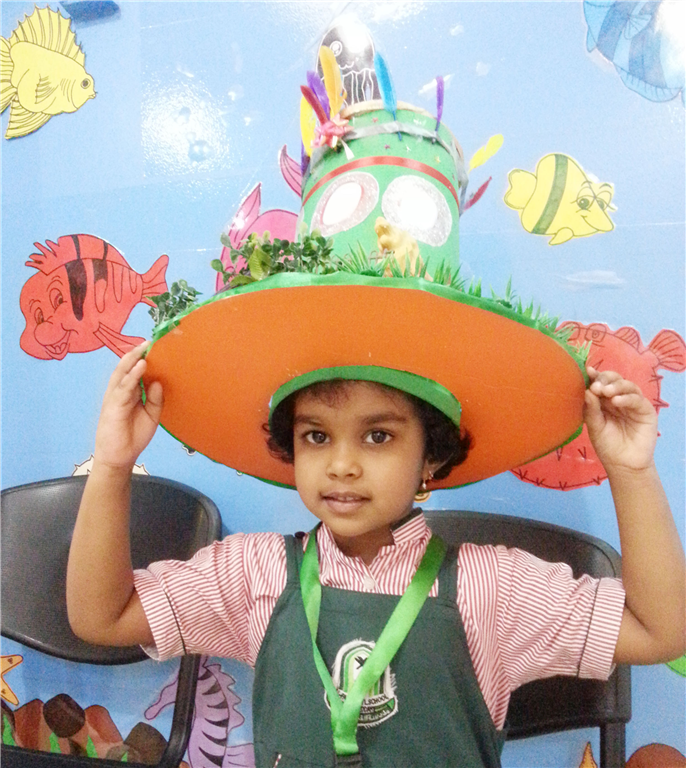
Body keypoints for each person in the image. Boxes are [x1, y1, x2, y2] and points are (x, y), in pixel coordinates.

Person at [67, 342, 685, 767]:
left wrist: (631, 471)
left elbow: (662, 631)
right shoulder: (254, 573)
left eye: (378, 435)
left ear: (431, 457)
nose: (341, 463)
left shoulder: (492, 586)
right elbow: (101, 618)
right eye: (316, 435)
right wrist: (113, 464)